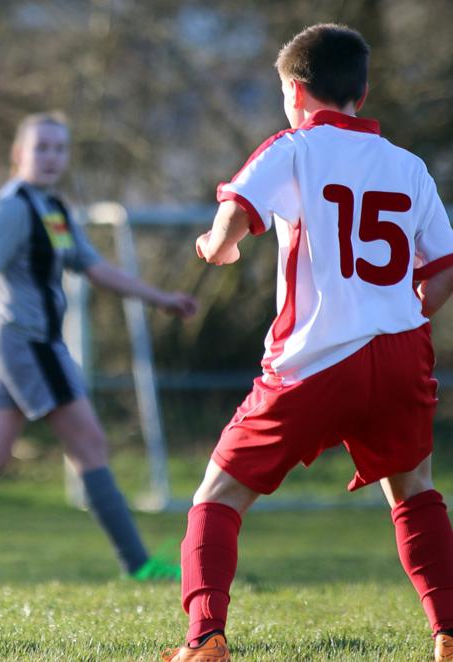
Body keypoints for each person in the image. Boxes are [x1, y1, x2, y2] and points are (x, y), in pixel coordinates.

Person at [162, 24, 453, 662]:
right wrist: (401, 314)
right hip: (400, 352)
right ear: (362, 91)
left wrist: (217, 246)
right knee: (415, 491)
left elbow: (235, 212)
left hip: (316, 358)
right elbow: (443, 267)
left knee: (217, 495)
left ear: (294, 92)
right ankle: (449, 631)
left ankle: (205, 637)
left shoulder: (293, 148)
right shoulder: (409, 166)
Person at [0, 111, 198, 587]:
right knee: (90, 443)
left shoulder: (54, 207)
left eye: (59, 148)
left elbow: (95, 267)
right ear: (18, 154)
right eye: (41, 147)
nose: (51, 157)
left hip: (18, 343)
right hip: (25, 343)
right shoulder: (12, 207)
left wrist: (159, 298)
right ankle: (138, 564)